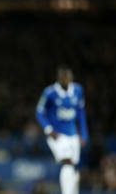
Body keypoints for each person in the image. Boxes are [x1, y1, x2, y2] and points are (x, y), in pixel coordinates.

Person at [36, 66, 88, 194]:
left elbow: (81, 112)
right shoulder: (49, 92)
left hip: (73, 134)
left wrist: (84, 134)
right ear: (58, 78)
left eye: (67, 76)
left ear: (71, 77)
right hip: (57, 135)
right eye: (63, 76)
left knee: (73, 166)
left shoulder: (78, 90)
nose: (65, 79)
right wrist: (48, 129)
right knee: (67, 162)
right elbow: (39, 112)